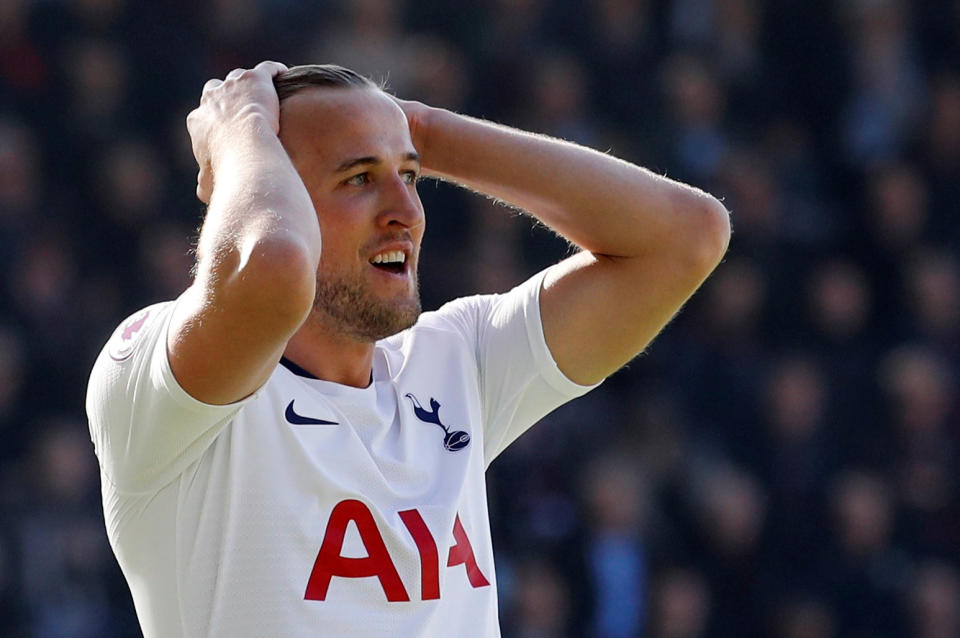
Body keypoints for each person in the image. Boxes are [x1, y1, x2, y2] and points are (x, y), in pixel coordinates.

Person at [85, 61, 730, 637]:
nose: (408, 212)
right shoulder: (160, 383)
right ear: (265, 192)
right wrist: (239, 134)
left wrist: (424, 131)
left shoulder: (452, 364)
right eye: (358, 178)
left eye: (412, 176)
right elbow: (274, 271)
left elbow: (687, 237)